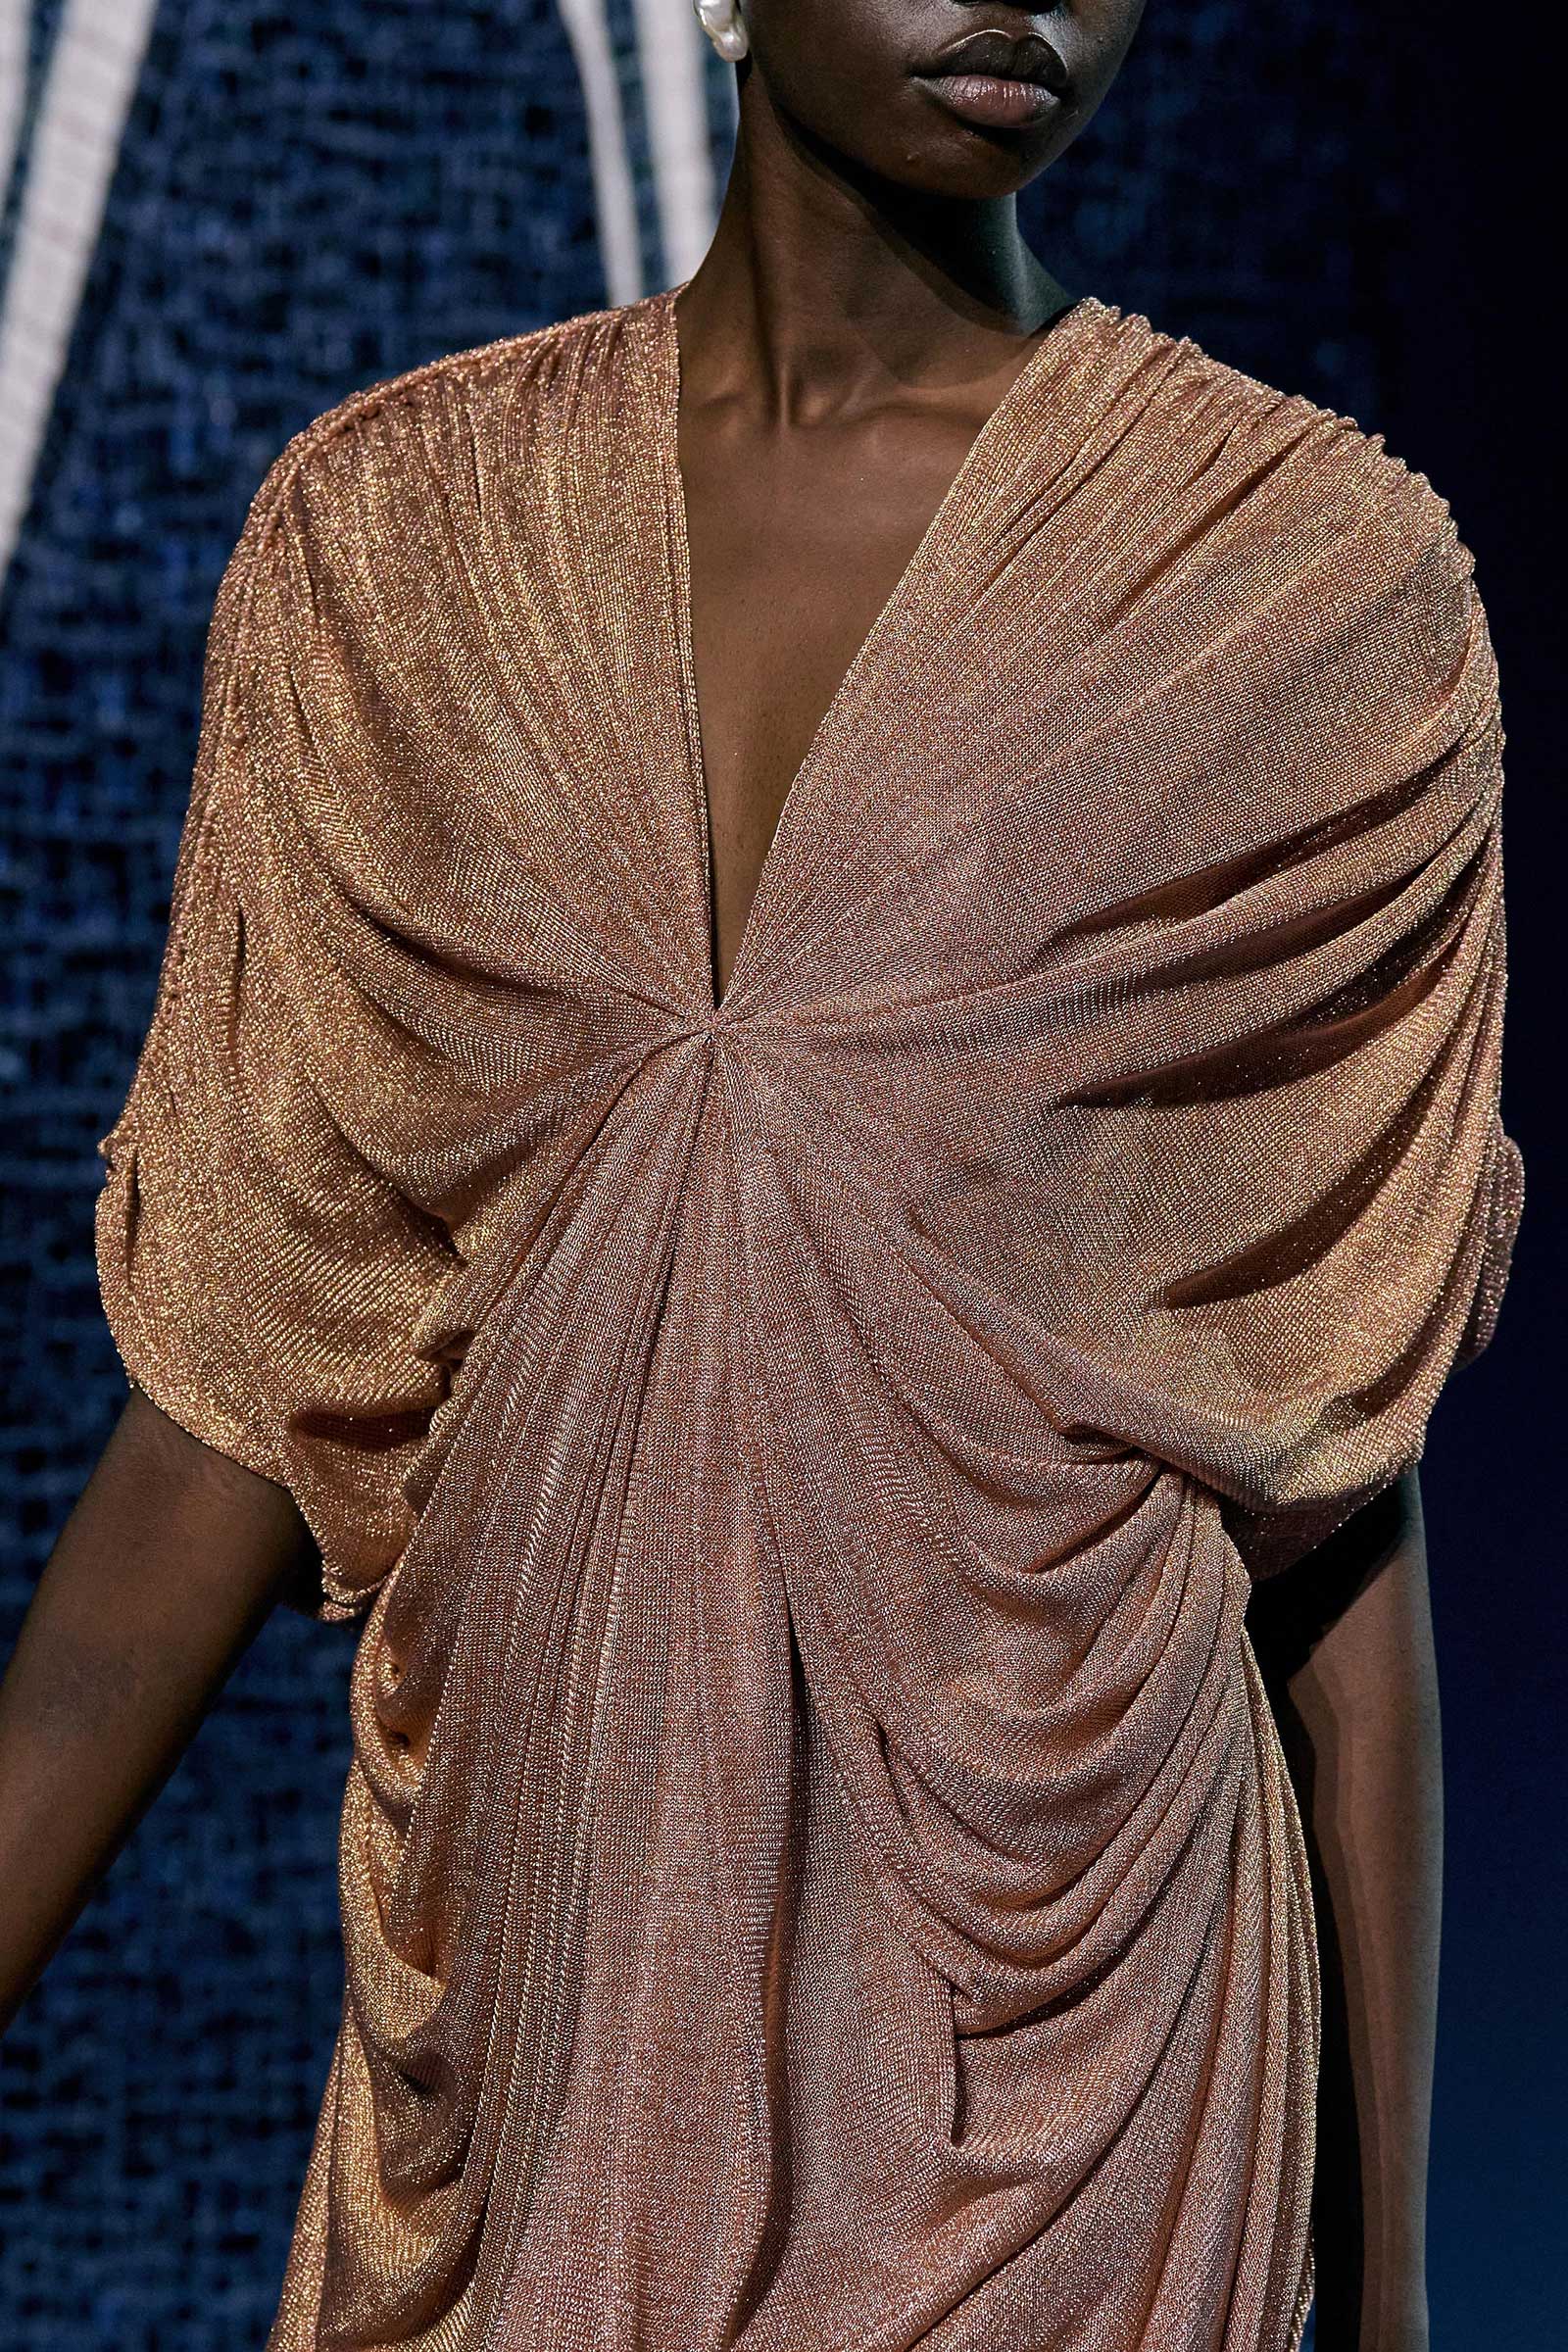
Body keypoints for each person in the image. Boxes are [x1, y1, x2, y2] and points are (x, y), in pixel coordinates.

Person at [0, 4, 1523, 2348]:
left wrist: (1391, 2302)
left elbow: (1317, 1478)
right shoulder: (396, 547)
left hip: (1080, 2064)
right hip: (551, 2023)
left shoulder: (1294, 588)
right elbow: (250, 1366)